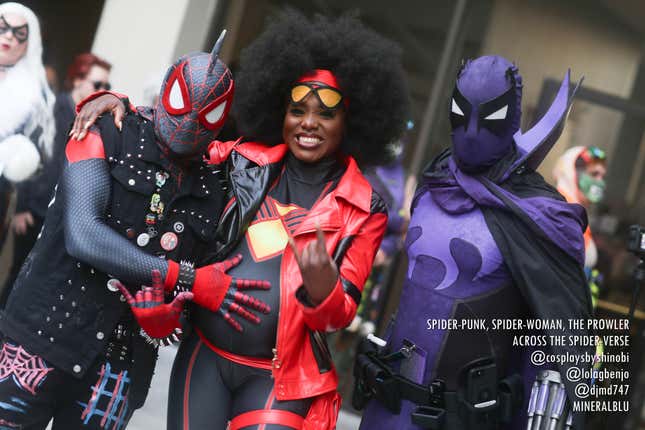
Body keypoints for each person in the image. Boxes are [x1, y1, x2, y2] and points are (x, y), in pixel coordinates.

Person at [73, 9, 409, 429]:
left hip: (279, 378)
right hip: (205, 359)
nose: (308, 123)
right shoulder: (239, 161)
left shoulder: (364, 206)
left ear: (351, 121)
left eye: (325, 113)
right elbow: (174, 138)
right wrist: (120, 104)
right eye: (297, 109)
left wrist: (323, 292)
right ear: (279, 112)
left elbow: (336, 317)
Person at [0, 34, 266, 429]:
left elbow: (198, 287)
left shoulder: (218, 185)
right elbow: (84, 234)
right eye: (181, 102)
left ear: (222, 118)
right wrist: (185, 277)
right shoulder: (108, 128)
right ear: (165, 91)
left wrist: (168, 322)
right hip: (39, 342)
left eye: (207, 114)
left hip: (118, 368)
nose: (191, 120)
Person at [354, 56, 593, 430]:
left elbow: (561, 337)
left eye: (489, 116)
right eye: (461, 112)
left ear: (510, 119)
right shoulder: (434, 185)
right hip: (386, 407)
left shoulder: (539, 215)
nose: (472, 130)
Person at [1, 52, 112, 306]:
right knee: (18, 276)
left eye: (107, 86)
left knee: (38, 283)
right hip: (33, 212)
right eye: (98, 84)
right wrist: (21, 209)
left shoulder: (91, 120)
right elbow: (29, 154)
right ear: (77, 81)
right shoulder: (52, 109)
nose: (103, 90)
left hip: (58, 217)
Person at [0, 2, 54, 251]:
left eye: (19, 33)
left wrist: (19, 155)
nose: (9, 36)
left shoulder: (34, 94)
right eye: (2, 27)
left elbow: (40, 160)